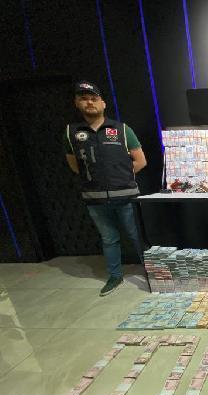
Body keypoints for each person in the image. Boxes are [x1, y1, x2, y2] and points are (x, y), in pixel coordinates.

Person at [65, 81, 147, 296]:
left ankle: (151, 273)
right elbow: (74, 165)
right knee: (109, 239)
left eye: (93, 98)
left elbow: (140, 161)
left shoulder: (121, 129)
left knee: (137, 236)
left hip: (126, 195)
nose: (89, 102)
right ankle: (115, 276)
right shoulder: (72, 132)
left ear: (103, 103)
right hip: (94, 197)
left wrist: (121, 177)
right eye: (84, 99)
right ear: (76, 103)